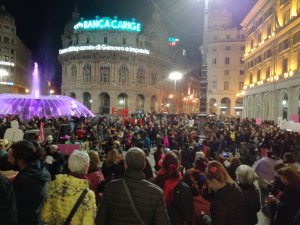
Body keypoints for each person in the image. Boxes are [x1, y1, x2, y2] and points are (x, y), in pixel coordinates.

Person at [95, 147, 170, 225]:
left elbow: (100, 220)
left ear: (125, 164)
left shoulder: (110, 187)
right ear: (144, 165)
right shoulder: (156, 192)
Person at [40, 150, 96, 225]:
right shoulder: (88, 195)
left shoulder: (54, 185)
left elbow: (45, 217)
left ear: (69, 165)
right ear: (86, 168)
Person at [7, 140, 51, 225]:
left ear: (20, 160)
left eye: (10, 157)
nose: (8, 160)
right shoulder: (43, 171)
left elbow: (11, 207)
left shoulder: (23, 180)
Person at [153, 151, 194, 225]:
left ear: (163, 165)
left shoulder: (153, 183)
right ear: (178, 166)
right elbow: (189, 216)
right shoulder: (184, 188)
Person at [199, 161, 243, 225]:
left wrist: (204, 217)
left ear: (214, 181)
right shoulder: (236, 188)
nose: (209, 186)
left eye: (208, 183)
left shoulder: (218, 201)